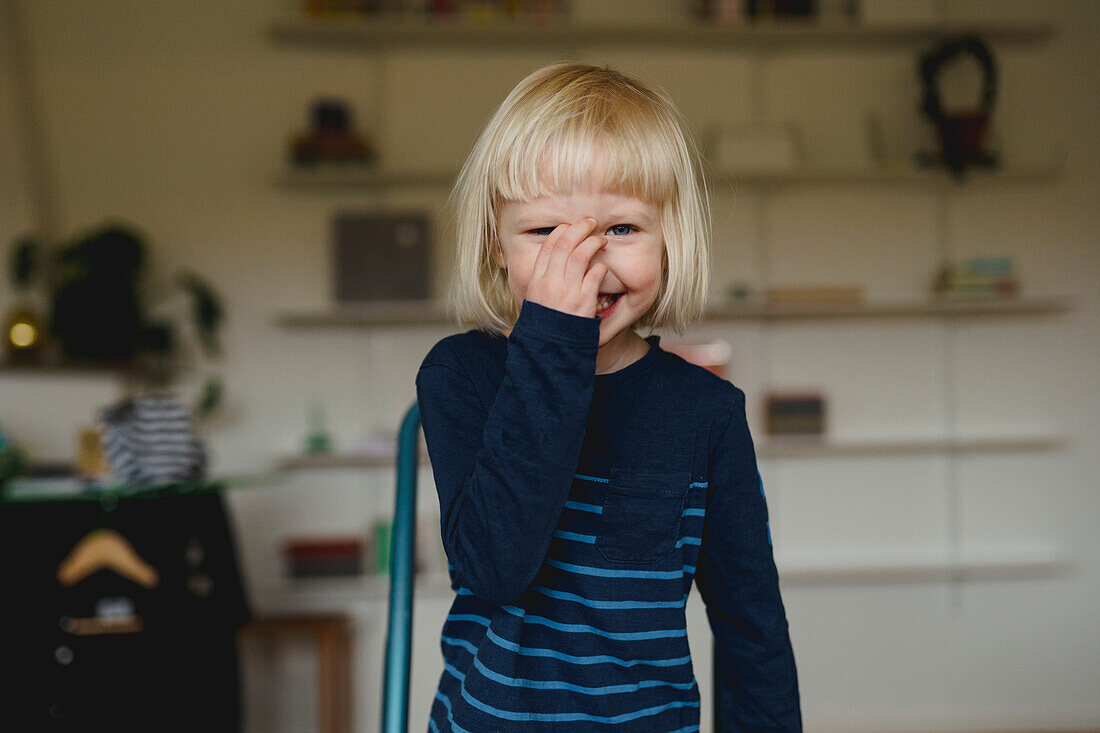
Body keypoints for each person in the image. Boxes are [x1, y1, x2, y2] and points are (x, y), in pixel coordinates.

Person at [415, 62, 801, 732]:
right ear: (496, 247)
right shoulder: (461, 374)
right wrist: (554, 340)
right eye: (544, 233)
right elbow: (496, 568)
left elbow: (752, 626)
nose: (585, 262)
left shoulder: (708, 413)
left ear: (669, 242)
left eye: (621, 229)